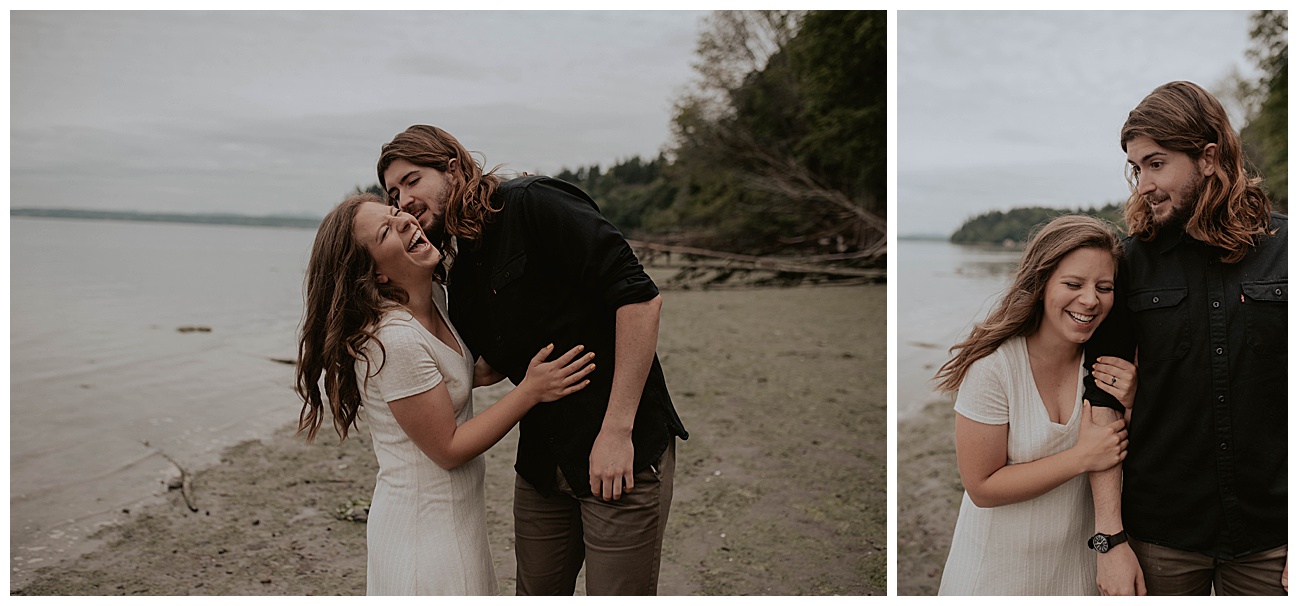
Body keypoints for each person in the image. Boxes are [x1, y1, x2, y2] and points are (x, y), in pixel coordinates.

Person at [377, 125, 689, 596]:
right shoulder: (456, 266)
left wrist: (616, 431)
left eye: (412, 180)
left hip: (619, 447)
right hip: (543, 462)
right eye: (393, 193)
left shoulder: (534, 202)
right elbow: (491, 361)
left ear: (454, 167)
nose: (404, 201)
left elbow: (640, 300)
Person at [295, 193, 597, 595]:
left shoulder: (435, 300)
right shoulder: (392, 341)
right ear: (375, 273)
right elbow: (449, 449)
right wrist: (531, 391)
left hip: (457, 519)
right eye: (386, 230)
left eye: (395, 212)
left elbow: (466, 373)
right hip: (423, 531)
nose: (404, 220)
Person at [1084, 80, 1288, 596]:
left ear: (1209, 157)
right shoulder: (1129, 263)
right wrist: (1110, 539)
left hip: (1275, 540)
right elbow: (1102, 400)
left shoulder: (1289, 252)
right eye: (1136, 168)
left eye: (1156, 163)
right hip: (1160, 538)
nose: (1143, 184)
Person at [934, 214, 1135, 595]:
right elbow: (982, 487)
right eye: (1073, 284)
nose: (1090, 300)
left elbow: (1126, 457)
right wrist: (1081, 457)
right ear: (1041, 284)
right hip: (995, 578)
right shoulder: (993, 369)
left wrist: (1134, 402)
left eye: (1104, 287)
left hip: (1077, 576)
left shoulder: (1106, 366)